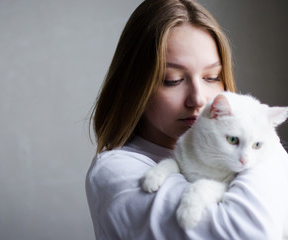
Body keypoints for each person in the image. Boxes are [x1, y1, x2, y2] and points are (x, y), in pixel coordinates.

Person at [85, 0, 288, 239]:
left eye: (212, 77)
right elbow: (248, 233)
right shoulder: (116, 172)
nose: (199, 99)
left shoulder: (241, 147)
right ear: (135, 87)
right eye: (173, 80)